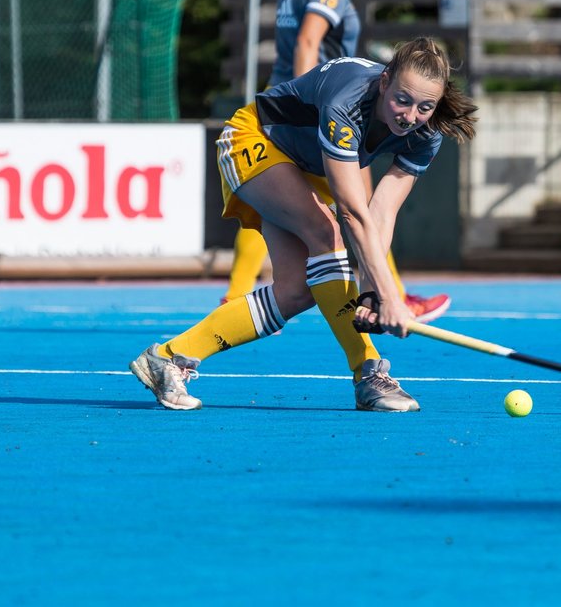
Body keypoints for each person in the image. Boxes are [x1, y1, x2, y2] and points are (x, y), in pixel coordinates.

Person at [129, 38, 478, 411]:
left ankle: (168, 356)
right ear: (385, 81)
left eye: (425, 106)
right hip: (255, 138)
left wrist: (372, 292)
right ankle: (368, 372)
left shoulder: (427, 134)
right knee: (325, 233)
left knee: (296, 291)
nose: (410, 115)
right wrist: (391, 296)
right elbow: (352, 212)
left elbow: (382, 213)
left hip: (303, 166)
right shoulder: (347, 99)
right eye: (402, 100)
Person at [223, 0, 450, 322]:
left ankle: (375, 290)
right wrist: (319, 113)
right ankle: (387, 292)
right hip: (326, 112)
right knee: (351, 210)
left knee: (318, 207)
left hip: (306, 105)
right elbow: (309, 41)